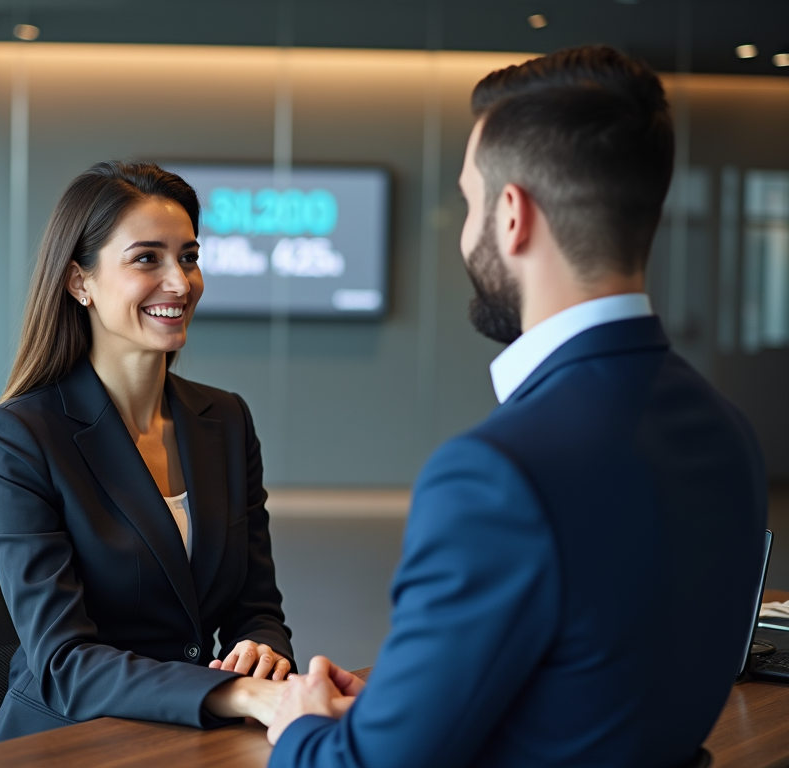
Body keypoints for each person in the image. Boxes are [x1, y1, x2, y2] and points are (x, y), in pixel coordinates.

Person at [261, 46, 768, 767]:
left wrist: (304, 727)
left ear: (511, 215)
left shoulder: (495, 475)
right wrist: (402, 697)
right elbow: (590, 686)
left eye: (470, 201)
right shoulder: (727, 432)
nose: (466, 233)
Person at [0, 162, 293, 745]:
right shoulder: (20, 436)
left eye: (189, 257)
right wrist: (236, 692)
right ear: (80, 282)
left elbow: (256, 604)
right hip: (67, 742)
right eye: (147, 258)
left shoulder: (225, 419)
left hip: (192, 734)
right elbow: (64, 660)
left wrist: (261, 652)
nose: (180, 281)